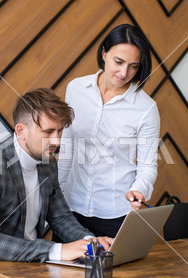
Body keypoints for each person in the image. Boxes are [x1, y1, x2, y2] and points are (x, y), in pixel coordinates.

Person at [0, 88, 113, 278]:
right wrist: (58, 251)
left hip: (30, 267)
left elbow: (60, 217)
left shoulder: (47, 162)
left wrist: (90, 243)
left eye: (59, 131)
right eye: (48, 132)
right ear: (20, 131)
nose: (57, 141)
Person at [57, 24, 159, 238]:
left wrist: (139, 190)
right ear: (104, 52)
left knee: (112, 272)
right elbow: (67, 150)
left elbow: (148, 165)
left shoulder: (146, 108)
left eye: (133, 66)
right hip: (71, 209)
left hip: (116, 213)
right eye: (119, 62)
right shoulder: (75, 89)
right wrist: (57, 197)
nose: (124, 73)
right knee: (61, 271)